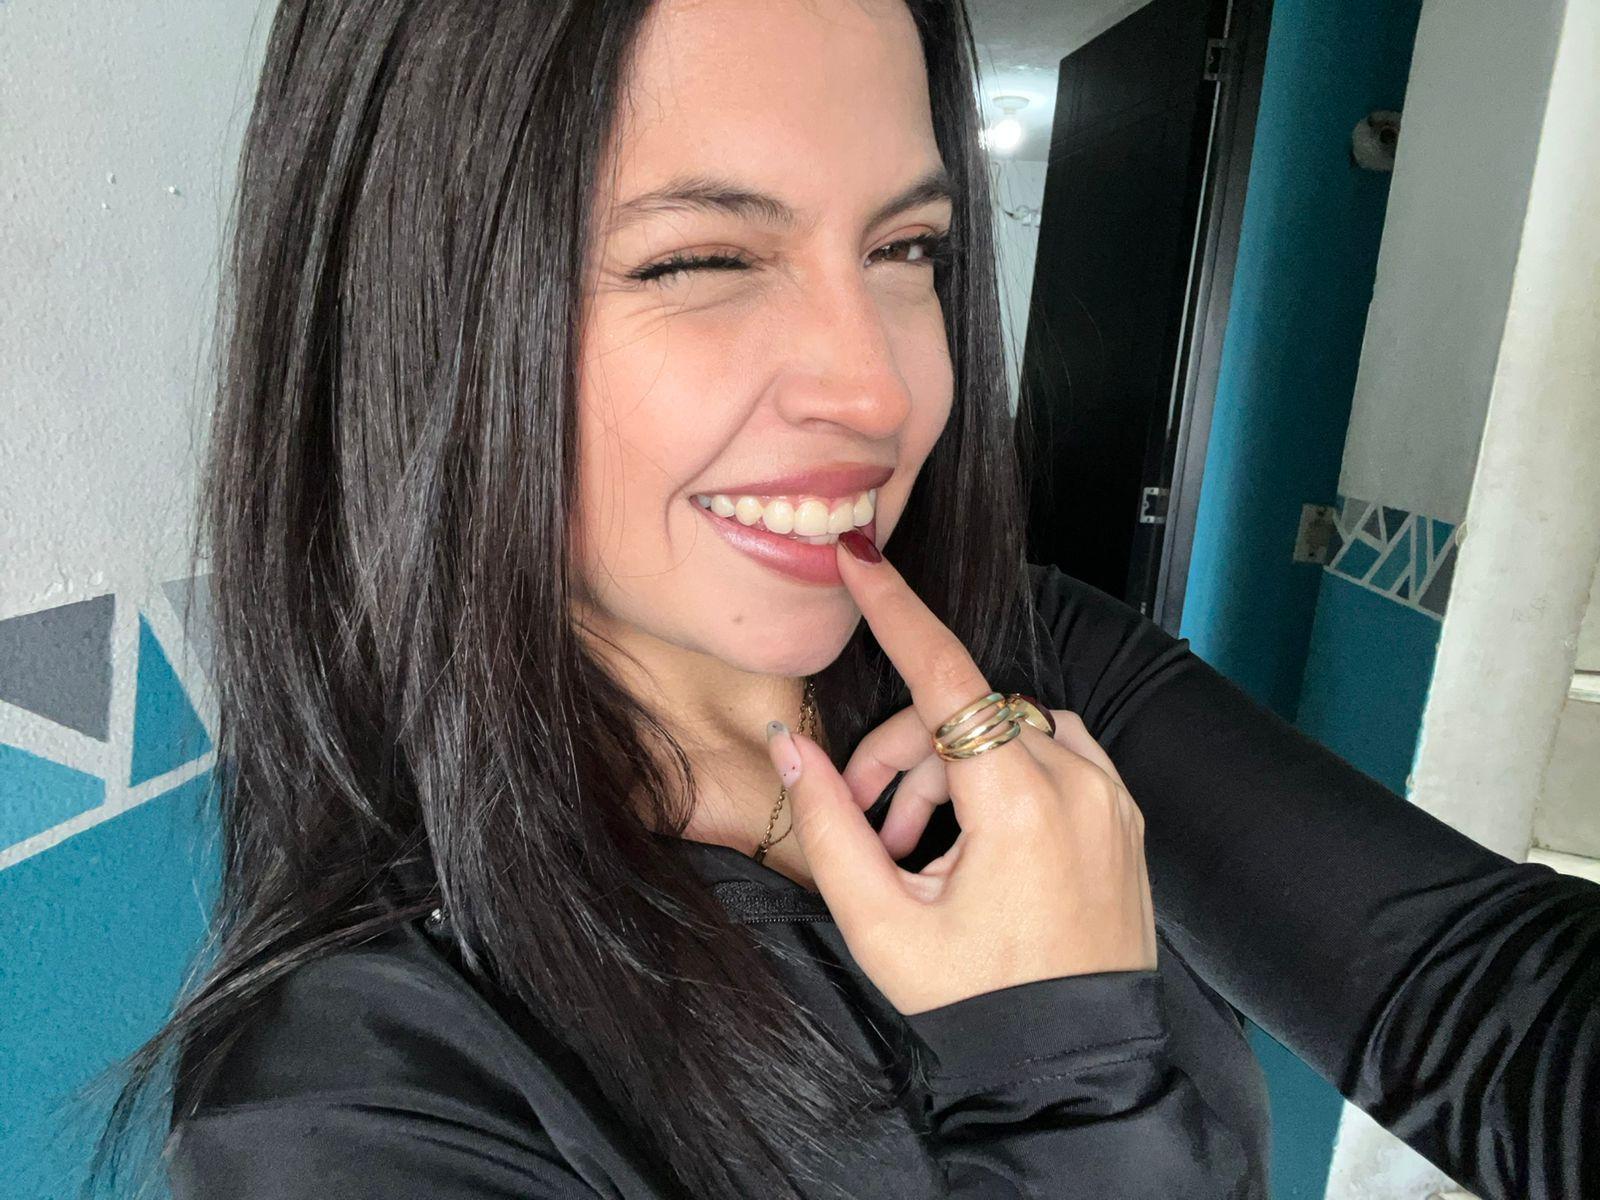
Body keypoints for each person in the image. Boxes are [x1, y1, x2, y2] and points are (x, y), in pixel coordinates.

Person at [86, 1, 1597, 1198]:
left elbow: (1478, 1006)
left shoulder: (1019, 671)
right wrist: (1061, 1071)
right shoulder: (354, 1100)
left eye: (905, 248)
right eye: (699, 258)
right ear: (422, 318)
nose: (882, 390)